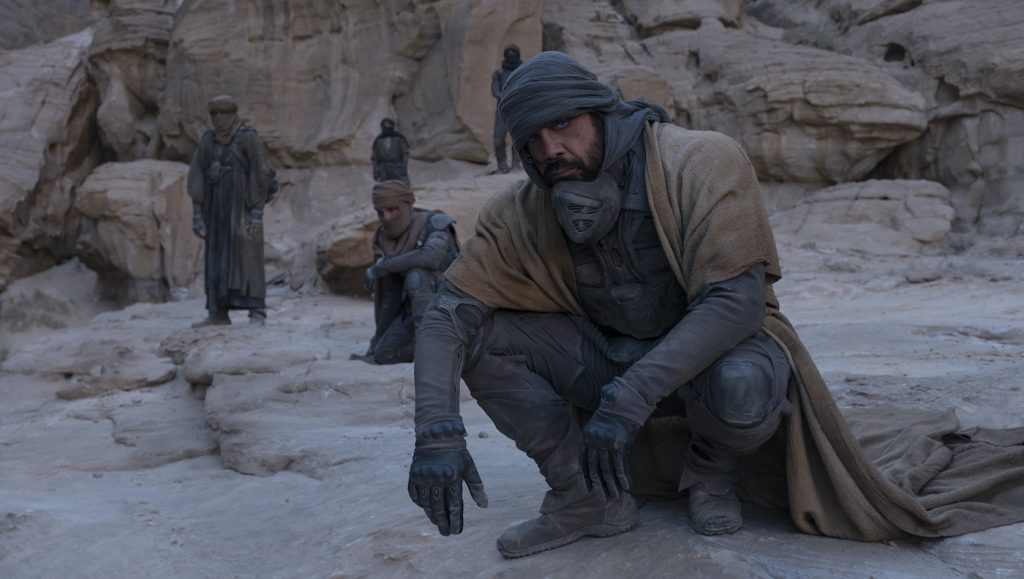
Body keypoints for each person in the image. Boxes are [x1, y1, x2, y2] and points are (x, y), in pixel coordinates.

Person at [406, 52, 1024, 559]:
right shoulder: (522, 208)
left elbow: (737, 302)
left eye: (564, 125)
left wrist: (629, 397)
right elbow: (447, 314)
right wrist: (436, 433)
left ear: (602, 112)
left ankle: (710, 474)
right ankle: (586, 497)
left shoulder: (697, 160)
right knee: (486, 340)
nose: (551, 151)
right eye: (533, 140)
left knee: (745, 382)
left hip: (709, 360)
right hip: (607, 356)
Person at [188, 95, 277, 327]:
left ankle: (257, 311)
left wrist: (256, 211)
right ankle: (217, 313)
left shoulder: (248, 138)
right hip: (216, 210)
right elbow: (196, 176)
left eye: (224, 112)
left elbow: (262, 173)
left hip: (243, 209)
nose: (219, 118)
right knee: (217, 258)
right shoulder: (208, 141)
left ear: (233, 114)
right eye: (214, 113)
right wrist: (198, 213)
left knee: (248, 256)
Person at [361, 180, 459, 364]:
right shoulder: (385, 238)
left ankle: (433, 350)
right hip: (413, 311)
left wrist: (381, 266)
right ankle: (439, 347)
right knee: (384, 354)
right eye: (381, 213)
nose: (387, 217)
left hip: (451, 306)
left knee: (416, 275)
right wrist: (377, 340)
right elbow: (389, 298)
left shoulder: (434, 223)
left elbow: (430, 257)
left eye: (392, 210)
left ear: (406, 205)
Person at [491, 44, 522, 173]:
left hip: (518, 108)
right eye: (508, 52)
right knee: (498, 140)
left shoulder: (522, 71)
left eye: (513, 52)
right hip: (502, 109)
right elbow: (495, 90)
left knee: (519, 138)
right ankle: (502, 166)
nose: (511, 54)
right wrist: (505, 97)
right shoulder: (498, 73)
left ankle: (516, 164)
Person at [372, 118, 411, 186]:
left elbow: (405, 153)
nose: (386, 128)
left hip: (397, 166)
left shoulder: (399, 138)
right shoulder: (379, 140)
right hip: (384, 169)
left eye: (388, 126)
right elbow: (375, 158)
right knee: (385, 187)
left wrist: (403, 166)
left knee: (402, 186)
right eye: (384, 126)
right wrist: (376, 170)